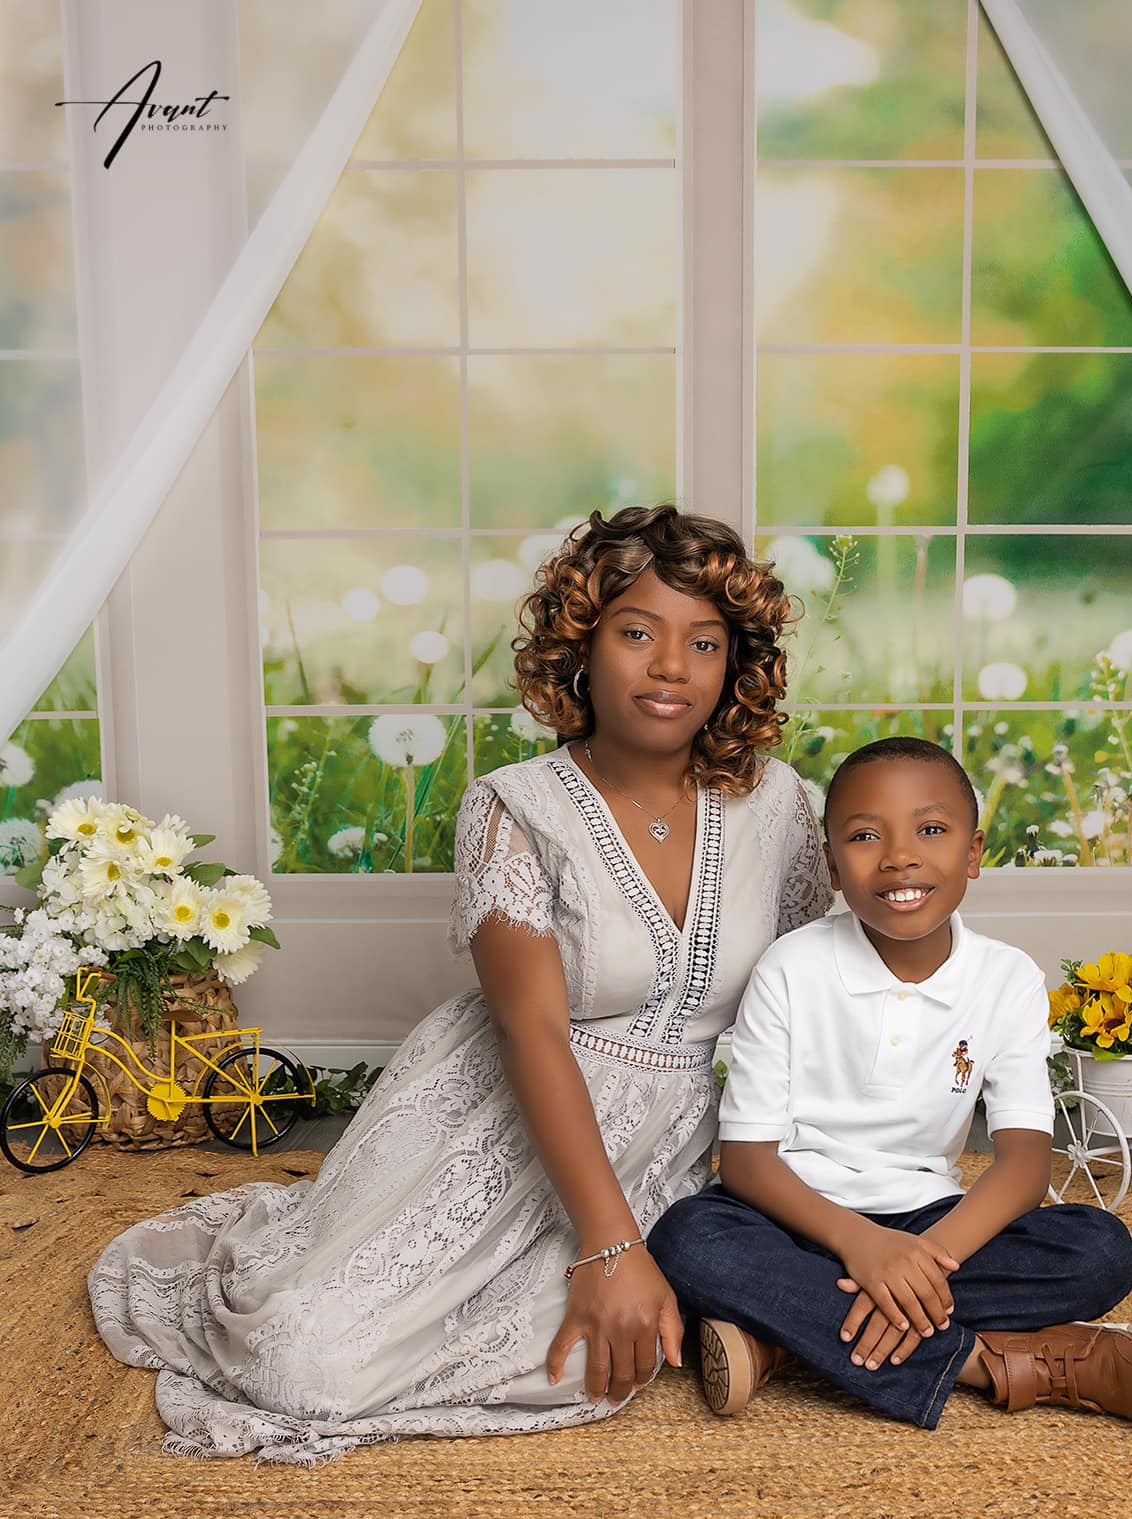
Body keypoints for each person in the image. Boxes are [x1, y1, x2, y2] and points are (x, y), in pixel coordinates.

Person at [88, 505, 832, 1465]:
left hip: (693, 1139)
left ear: (737, 661)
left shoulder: (783, 805)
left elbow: (818, 992)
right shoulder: (511, 805)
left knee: (594, 1357)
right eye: (636, 632)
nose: (669, 667)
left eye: (703, 641)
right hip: (506, 1115)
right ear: (581, 643)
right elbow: (530, 1031)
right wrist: (608, 1245)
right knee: (300, 1364)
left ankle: (736, 1321)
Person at [649, 736, 1132, 1429]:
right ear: (834, 865)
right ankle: (988, 1364)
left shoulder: (1006, 977)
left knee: (1098, 1250)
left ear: (973, 851)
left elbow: (1024, 1164)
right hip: (793, 1218)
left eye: (930, 830)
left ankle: (782, 1338)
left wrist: (923, 1262)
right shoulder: (791, 968)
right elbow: (749, 1163)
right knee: (689, 1238)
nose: (900, 855)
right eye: (865, 835)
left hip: (934, 1227)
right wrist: (862, 1248)